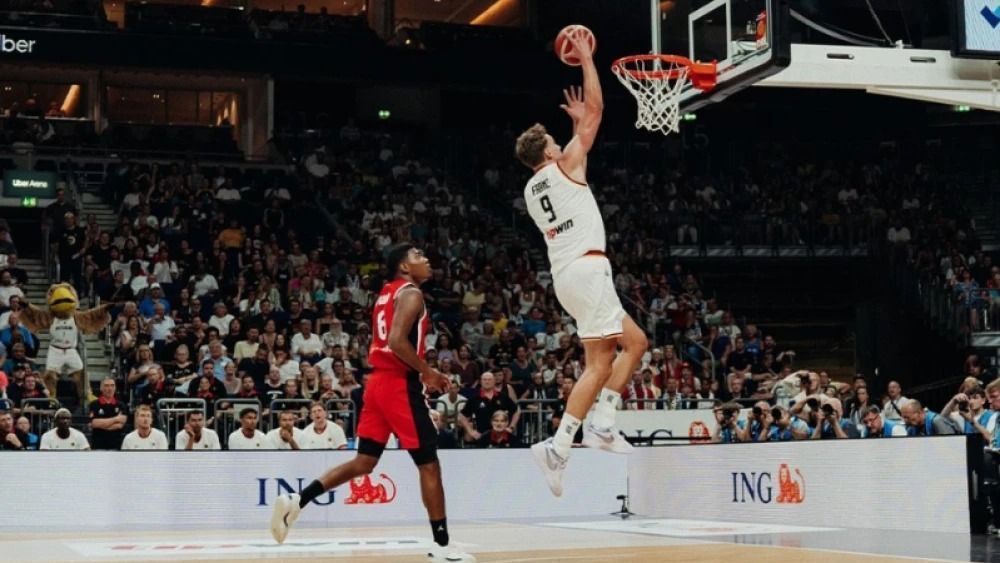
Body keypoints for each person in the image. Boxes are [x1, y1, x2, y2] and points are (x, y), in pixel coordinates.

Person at [269, 243, 466, 561]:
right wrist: (428, 373)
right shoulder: (411, 293)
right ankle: (442, 547)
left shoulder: (386, 293)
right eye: (418, 256)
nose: (427, 259)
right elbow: (397, 341)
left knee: (364, 462)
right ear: (404, 266)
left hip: (376, 384)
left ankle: (298, 499)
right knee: (429, 464)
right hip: (399, 385)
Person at [516, 31, 647, 497]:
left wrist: (571, 131)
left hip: (568, 275)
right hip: (588, 271)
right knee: (598, 363)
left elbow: (580, 131)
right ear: (549, 153)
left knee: (635, 342)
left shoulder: (533, 190)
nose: (560, 141)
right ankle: (561, 445)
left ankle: (605, 421)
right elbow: (595, 112)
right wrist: (588, 60)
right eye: (555, 140)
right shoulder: (564, 165)